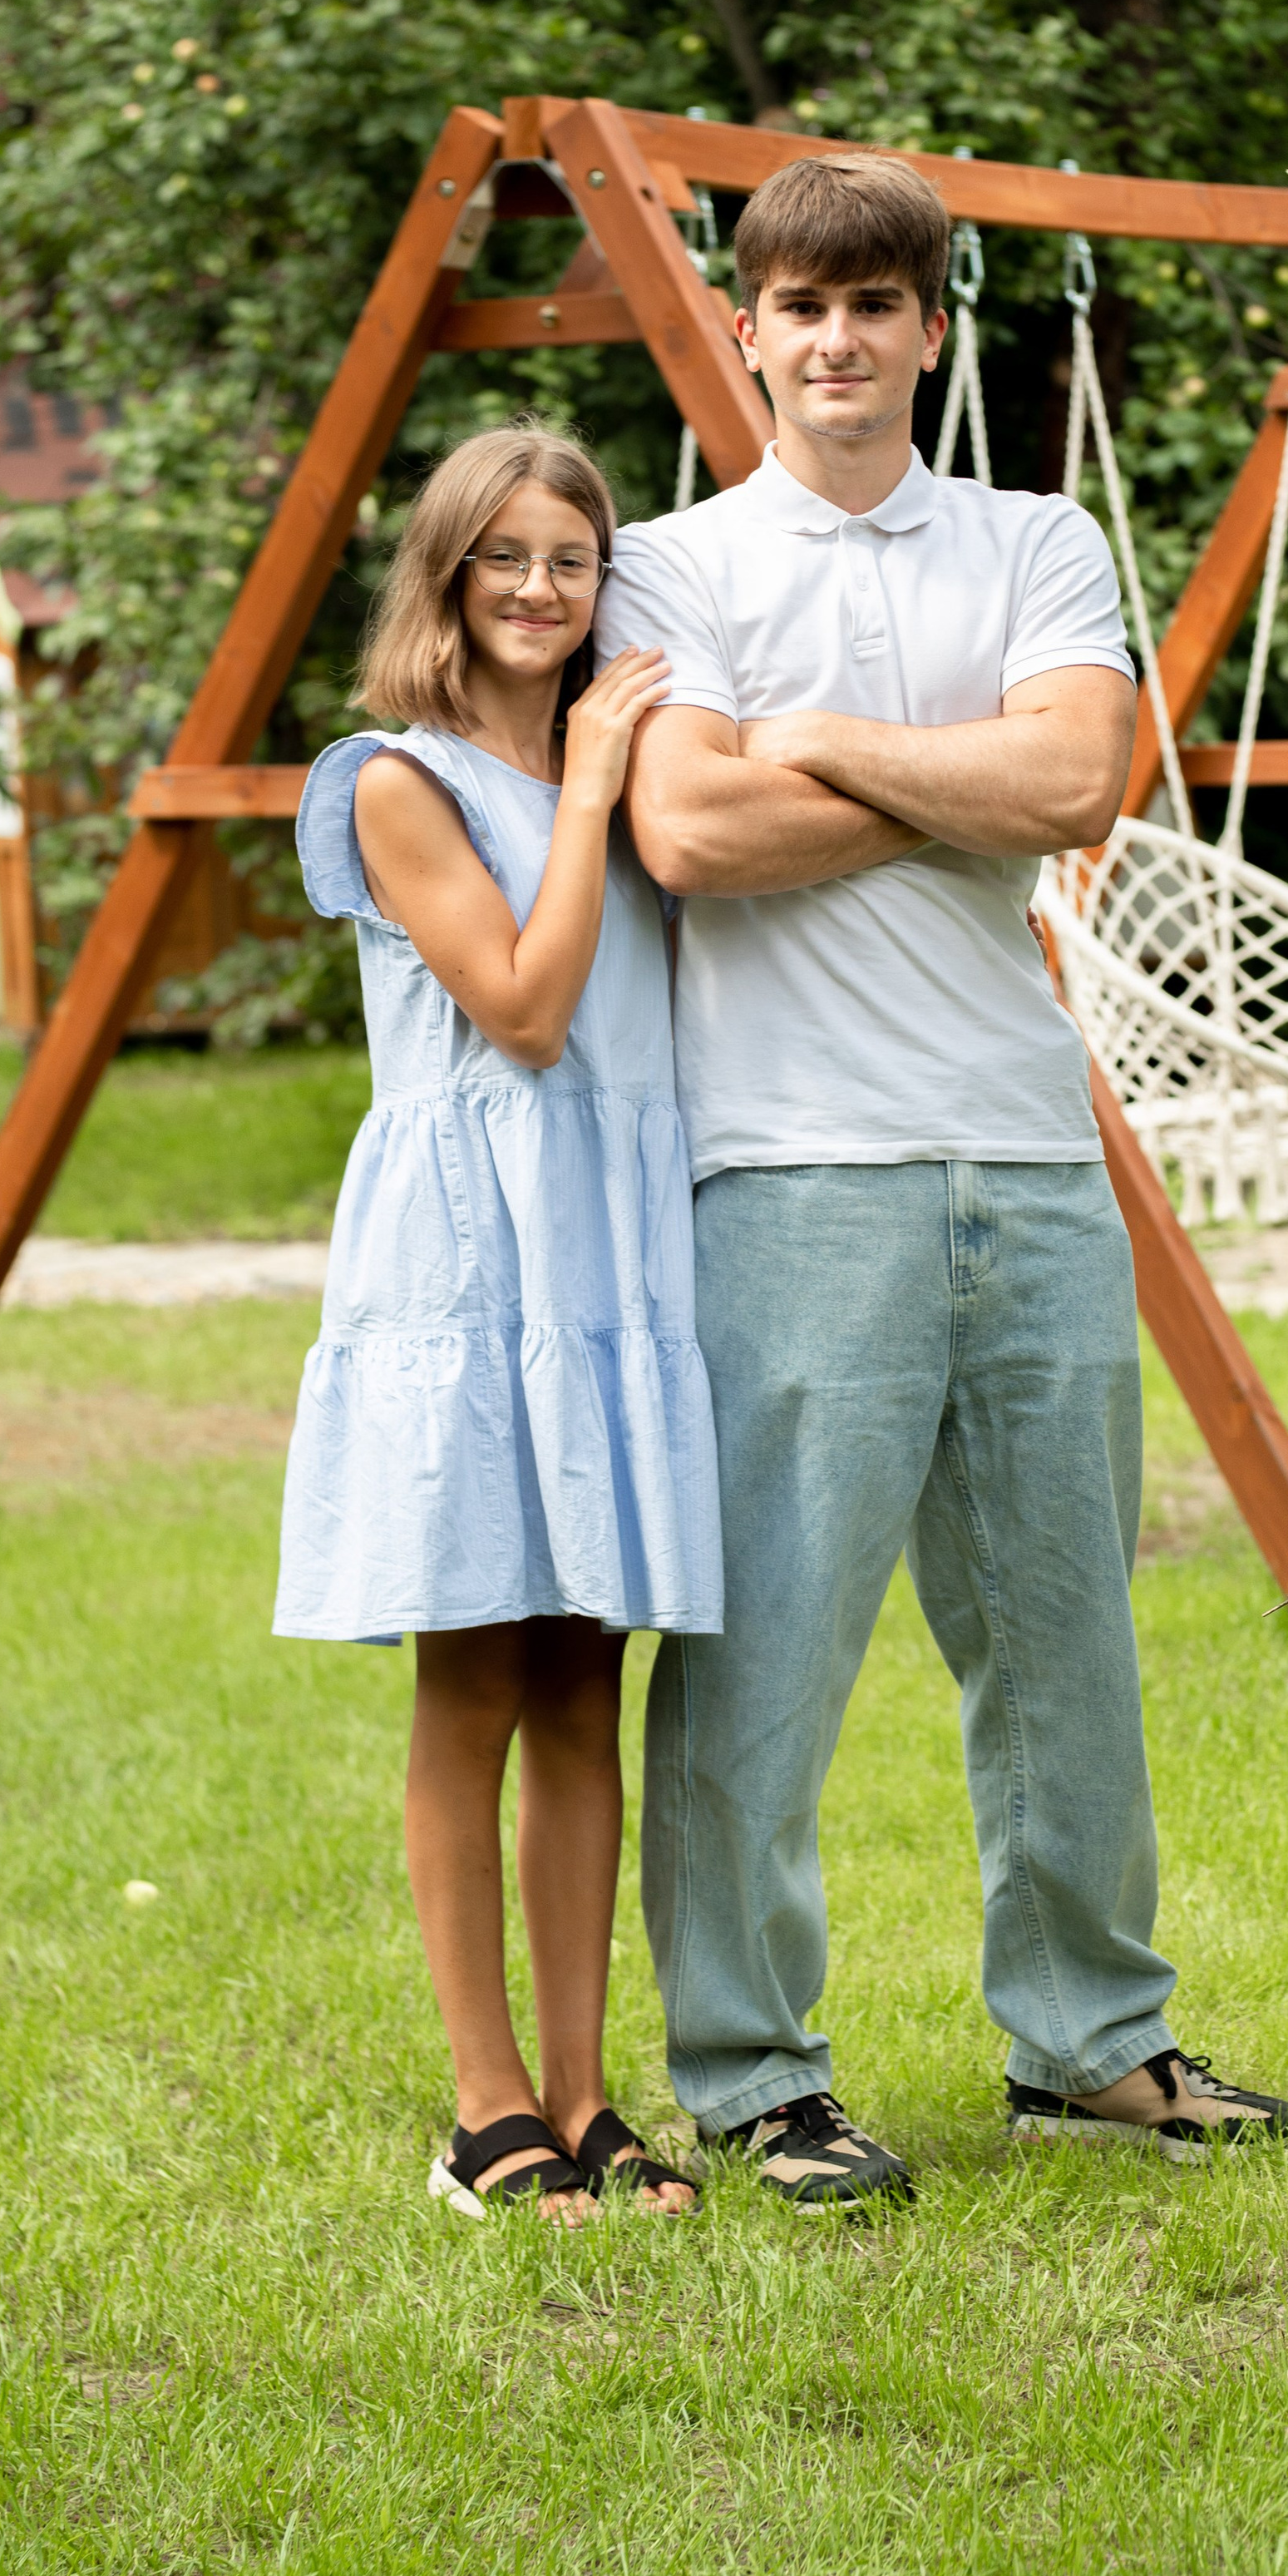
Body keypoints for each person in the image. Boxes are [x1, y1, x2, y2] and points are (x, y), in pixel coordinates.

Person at [597, 153, 1288, 2207]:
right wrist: (940, 778)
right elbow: (692, 843)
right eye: (798, 308)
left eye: (875, 306)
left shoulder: (1035, 538)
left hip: (1026, 1156)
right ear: (748, 332)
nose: (835, 341)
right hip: (791, 1170)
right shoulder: (666, 570)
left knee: (1062, 1636)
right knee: (770, 1647)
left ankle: (1090, 2047)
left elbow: (1077, 783)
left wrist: (809, 740)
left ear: (931, 329)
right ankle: (751, 2079)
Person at [275, 423, 722, 2222]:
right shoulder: (398, 782)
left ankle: (588, 2096)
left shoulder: (628, 761)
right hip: (472, 1259)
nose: (542, 591)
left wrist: (624, 771)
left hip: (605, 1249)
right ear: (446, 578)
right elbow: (526, 1012)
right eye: (506, 560)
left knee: (579, 1680)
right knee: (469, 1678)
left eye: (571, 560)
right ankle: (484, 2112)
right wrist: (601, 785)